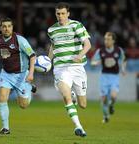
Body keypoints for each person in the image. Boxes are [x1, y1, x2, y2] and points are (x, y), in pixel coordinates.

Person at [0, 17, 36, 134]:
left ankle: (29, 87)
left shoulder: (19, 40)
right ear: (0, 28)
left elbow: (32, 56)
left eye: (9, 26)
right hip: (6, 73)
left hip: (21, 75)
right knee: (2, 97)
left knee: (23, 105)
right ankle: (5, 128)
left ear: (12, 27)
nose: (6, 29)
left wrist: (31, 73)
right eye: (4, 26)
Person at [47, 2, 91, 137]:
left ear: (68, 14)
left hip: (77, 67)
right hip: (60, 68)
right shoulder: (51, 30)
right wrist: (48, 61)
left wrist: (80, 55)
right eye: (58, 14)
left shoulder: (76, 25)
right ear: (55, 14)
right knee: (66, 96)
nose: (60, 16)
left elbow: (88, 44)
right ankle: (78, 127)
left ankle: (74, 97)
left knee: (83, 104)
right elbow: (53, 46)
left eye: (63, 13)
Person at [91, 32, 126, 123]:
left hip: (114, 77)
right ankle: (106, 116)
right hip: (104, 77)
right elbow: (92, 62)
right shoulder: (100, 51)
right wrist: (96, 63)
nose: (106, 41)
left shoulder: (118, 50)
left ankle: (111, 105)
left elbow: (123, 59)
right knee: (104, 99)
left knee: (114, 96)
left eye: (108, 39)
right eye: (105, 39)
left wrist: (123, 69)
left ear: (113, 41)